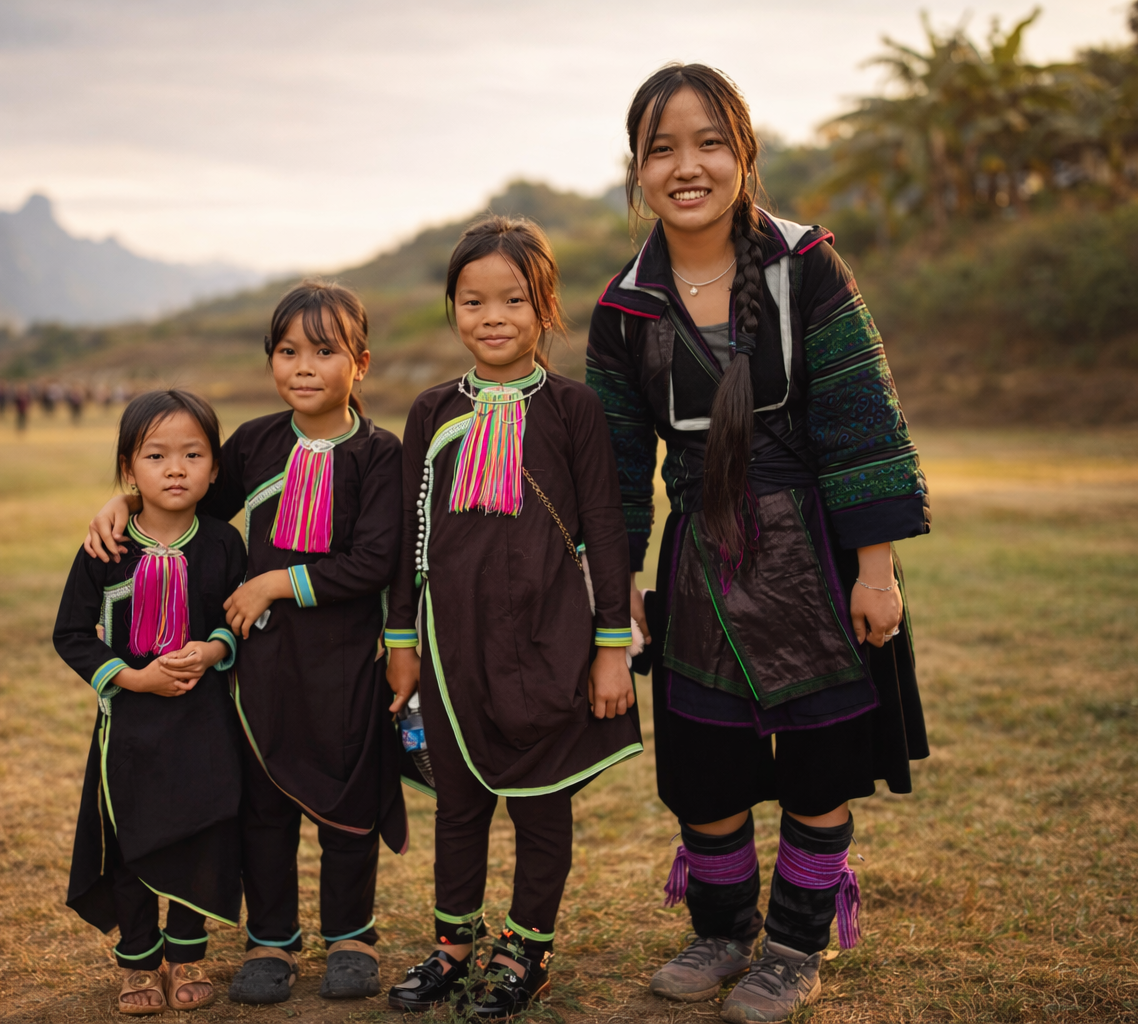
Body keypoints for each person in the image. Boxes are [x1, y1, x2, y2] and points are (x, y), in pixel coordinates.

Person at [585, 64, 930, 1023]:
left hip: (812, 556)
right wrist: (617, 602)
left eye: (708, 143)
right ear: (637, 169)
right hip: (697, 559)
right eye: (662, 149)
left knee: (822, 761)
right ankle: (722, 930)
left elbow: (862, 418)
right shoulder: (623, 308)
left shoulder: (806, 262)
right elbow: (615, 474)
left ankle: (791, 950)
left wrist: (875, 569)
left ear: (744, 155)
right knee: (703, 769)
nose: (686, 166)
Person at [85, 282, 408, 1006]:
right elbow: (190, 495)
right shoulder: (258, 442)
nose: (303, 366)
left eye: (324, 352)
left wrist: (267, 584)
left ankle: (351, 934)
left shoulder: (380, 455)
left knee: (345, 805)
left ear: (361, 362)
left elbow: (373, 561)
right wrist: (126, 499)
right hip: (258, 669)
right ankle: (271, 940)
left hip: (346, 666)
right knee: (264, 809)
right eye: (287, 350)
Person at [382, 217, 642, 1020]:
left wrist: (610, 649)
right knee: (458, 804)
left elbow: (606, 529)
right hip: (451, 642)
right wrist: (401, 640)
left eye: (513, 300)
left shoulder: (572, 410)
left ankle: (526, 948)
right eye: (472, 301)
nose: (492, 317)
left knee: (539, 801)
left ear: (544, 307)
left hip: (547, 642)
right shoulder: (429, 411)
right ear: (452, 309)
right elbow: (408, 533)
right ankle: (455, 944)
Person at [53, 388, 247, 1016]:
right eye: (156, 455)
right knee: (131, 838)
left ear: (215, 469)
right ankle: (138, 960)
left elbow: (237, 618)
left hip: (204, 723)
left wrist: (214, 651)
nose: (175, 468)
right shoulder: (105, 548)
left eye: (193, 454)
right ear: (127, 469)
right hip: (128, 730)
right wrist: (132, 679)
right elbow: (72, 635)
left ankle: (187, 953)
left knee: (198, 831)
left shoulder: (223, 543)